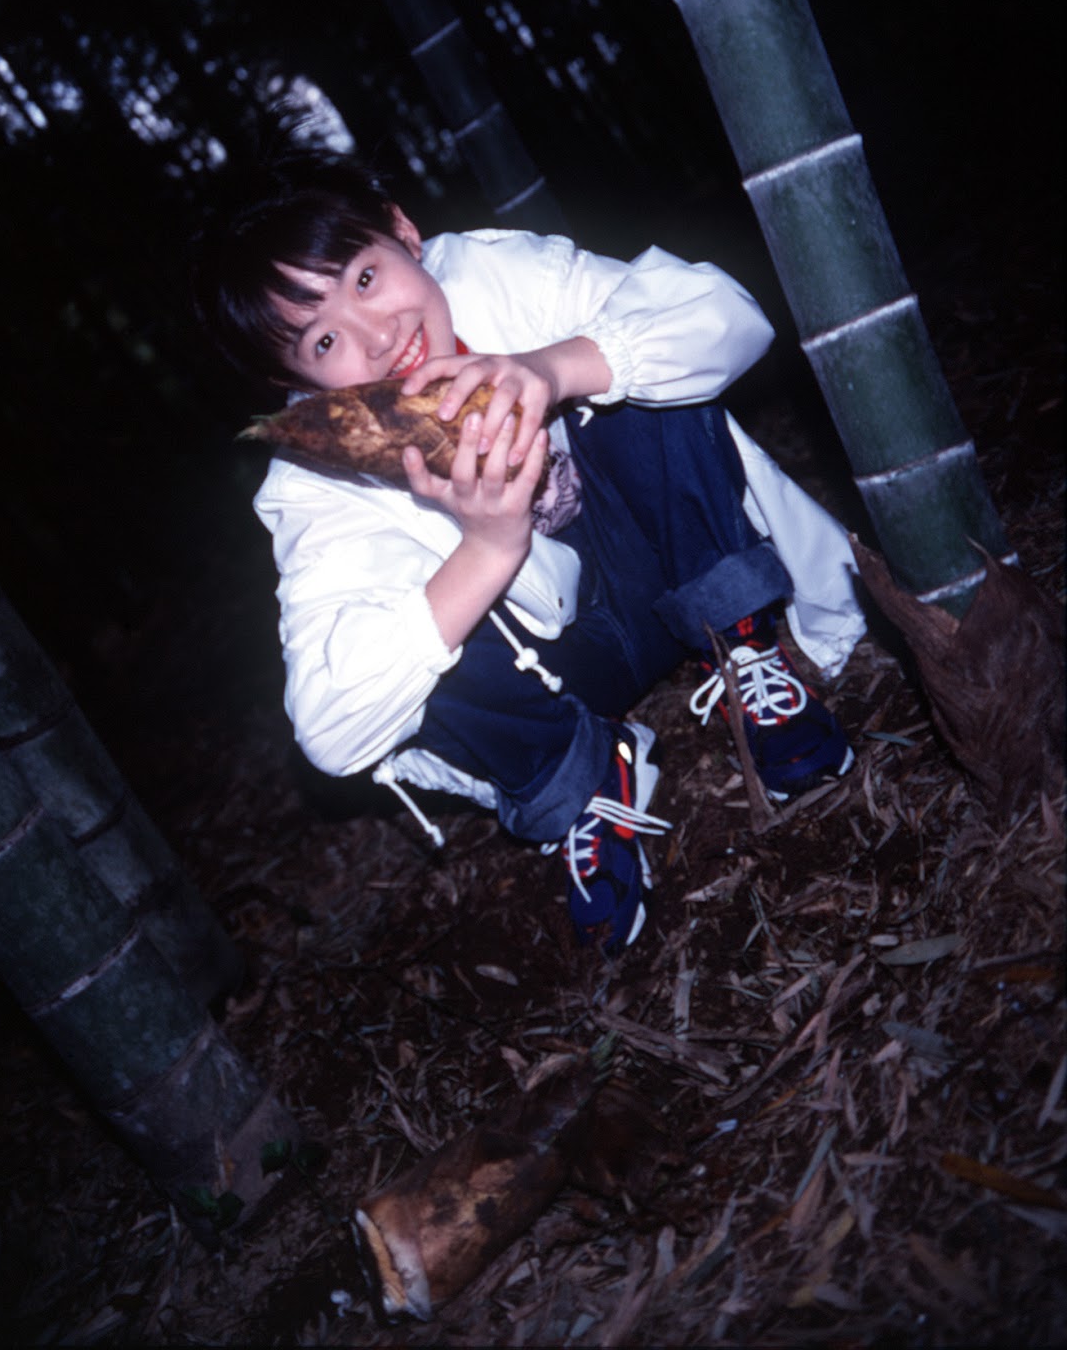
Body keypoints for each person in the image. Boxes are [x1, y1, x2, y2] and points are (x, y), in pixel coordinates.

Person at [192, 140, 865, 954]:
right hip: (557, 675)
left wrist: (555, 369)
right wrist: (486, 549)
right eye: (323, 343)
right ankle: (583, 780)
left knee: (638, 367)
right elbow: (332, 731)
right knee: (412, 632)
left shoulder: (497, 274)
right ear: (296, 385)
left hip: (674, 569)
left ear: (403, 232)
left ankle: (743, 648)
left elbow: (725, 313)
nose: (377, 336)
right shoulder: (318, 473)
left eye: (364, 279)